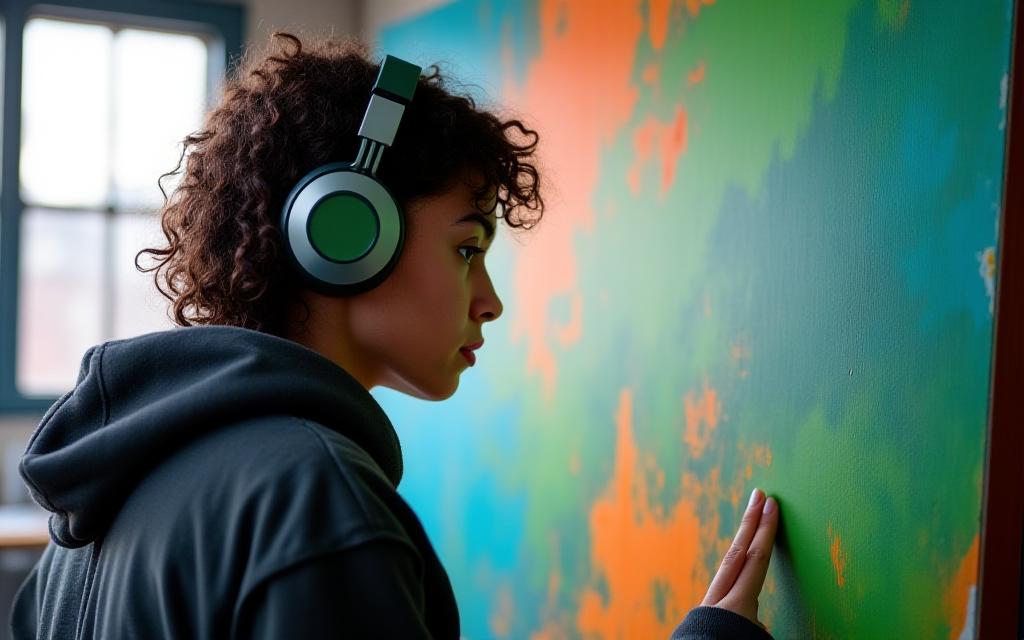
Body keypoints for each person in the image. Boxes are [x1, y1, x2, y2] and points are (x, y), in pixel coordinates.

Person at [9, 33, 778, 639]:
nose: (490, 302)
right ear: (346, 235)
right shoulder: (316, 501)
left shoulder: (101, 509)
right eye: (467, 248)